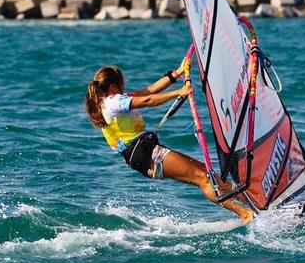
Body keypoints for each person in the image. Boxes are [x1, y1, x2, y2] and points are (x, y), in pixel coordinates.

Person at [84, 64, 255, 224]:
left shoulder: (110, 102)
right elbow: (147, 101)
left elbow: (148, 91)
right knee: (203, 178)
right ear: (114, 84)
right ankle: (245, 214)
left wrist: (177, 73)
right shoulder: (114, 102)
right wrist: (179, 92)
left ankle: (249, 200)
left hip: (147, 153)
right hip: (147, 156)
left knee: (206, 172)